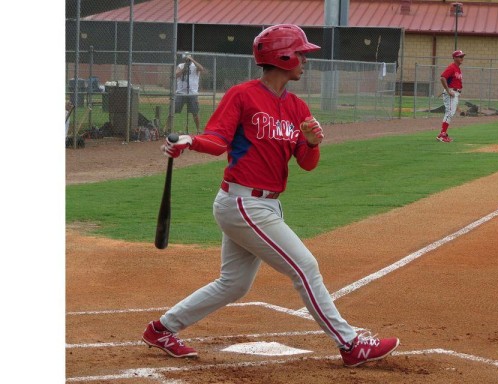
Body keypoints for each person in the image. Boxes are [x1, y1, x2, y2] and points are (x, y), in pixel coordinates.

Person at [142, 24, 400, 368]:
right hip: (243, 203)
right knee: (305, 266)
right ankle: (350, 344)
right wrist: (190, 141)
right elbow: (219, 140)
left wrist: (310, 141)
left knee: (234, 284)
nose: (305, 61)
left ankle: (162, 329)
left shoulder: (296, 107)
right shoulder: (243, 95)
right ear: (283, 56)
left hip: (267, 205)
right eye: (301, 54)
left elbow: (307, 164)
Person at [437, 49, 465, 142]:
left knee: (450, 113)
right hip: (451, 93)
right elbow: (442, 77)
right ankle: (442, 135)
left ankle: (443, 133)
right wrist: (448, 90)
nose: (462, 58)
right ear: (454, 58)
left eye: (462, 56)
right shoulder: (452, 67)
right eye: (460, 56)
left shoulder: (458, 68)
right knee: (449, 113)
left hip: (455, 93)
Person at [175, 52, 207, 134]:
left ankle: (198, 130)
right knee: (173, 111)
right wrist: (183, 69)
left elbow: (201, 68)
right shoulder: (180, 66)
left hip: (192, 93)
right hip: (181, 92)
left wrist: (192, 60)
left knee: (195, 113)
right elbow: (176, 75)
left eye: (188, 58)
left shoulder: (194, 66)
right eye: (186, 59)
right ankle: (167, 129)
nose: (187, 60)